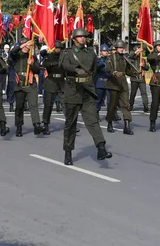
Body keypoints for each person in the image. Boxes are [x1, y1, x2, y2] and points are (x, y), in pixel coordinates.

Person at [59, 28, 112, 165]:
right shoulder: (67, 52)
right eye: (80, 37)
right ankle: (68, 152)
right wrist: (76, 70)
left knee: (93, 121)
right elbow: (64, 66)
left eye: (84, 36)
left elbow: (94, 70)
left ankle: (101, 148)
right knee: (70, 123)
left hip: (87, 91)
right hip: (72, 90)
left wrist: (88, 81)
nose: (83, 39)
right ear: (74, 39)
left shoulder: (90, 52)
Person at [9, 38, 44, 137]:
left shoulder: (32, 57)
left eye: (29, 44)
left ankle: (37, 124)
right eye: (26, 44)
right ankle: (19, 126)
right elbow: (12, 52)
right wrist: (21, 46)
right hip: (19, 83)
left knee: (33, 104)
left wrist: (32, 65)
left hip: (30, 82)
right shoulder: (17, 56)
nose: (28, 46)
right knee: (19, 106)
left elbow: (37, 70)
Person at [105, 40, 133, 135]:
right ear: (116, 49)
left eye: (122, 48)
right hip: (114, 84)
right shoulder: (110, 58)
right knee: (112, 105)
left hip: (123, 84)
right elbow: (108, 69)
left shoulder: (125, 58)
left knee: (126, 104)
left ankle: (127, 126)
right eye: (120, 48)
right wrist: (115, 73)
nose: (121, 49)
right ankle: (109, 123)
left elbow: (128, 71)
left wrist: (135, 73)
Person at [41, 40, 65, 135]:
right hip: (51, 81)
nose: (58, 49)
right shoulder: (49, 56)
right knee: (48, 105)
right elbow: (44, 64)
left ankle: (70, 124)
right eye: (57, 48)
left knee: (66, 104)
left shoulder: (64, 57)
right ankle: (46, 124)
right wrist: (53, 63)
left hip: (61, 82)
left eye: (60, 48)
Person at [127, 45, 149, 113]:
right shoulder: (131, 59)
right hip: (134, 78)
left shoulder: (142, 59)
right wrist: (136, 51)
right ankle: (130, 105)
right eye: (138, 51)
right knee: (133, 93)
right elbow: (129, 56)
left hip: (141, 79)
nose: (139, 52)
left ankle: (146, 106)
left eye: (140, 51)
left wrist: (143, 65)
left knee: (144, 93)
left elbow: (147, 68)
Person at [95, 44, 111, 118]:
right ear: (101, 52)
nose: (105, 52)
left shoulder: (110, 60)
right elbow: (96, 67)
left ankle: (111, 114)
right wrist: (102, 64)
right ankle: (96, 113)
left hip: (108, 82)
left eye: (106, 51)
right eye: (104, 51)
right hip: (100, 82)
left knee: (110, 100)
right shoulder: (98, 60)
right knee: (98, 99)